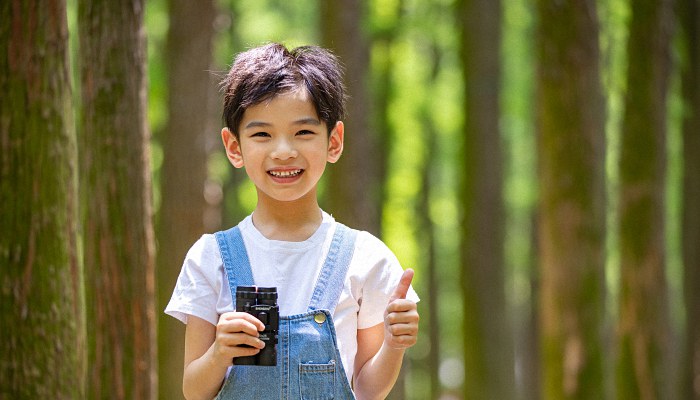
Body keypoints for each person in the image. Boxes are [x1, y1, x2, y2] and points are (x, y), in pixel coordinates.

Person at [165, 42, 420, 400]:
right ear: (234, 146)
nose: (283, 151)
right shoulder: (211, 258)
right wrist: (220, 353)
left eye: (303, 132)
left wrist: (394, 345)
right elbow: (193, 390)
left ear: (334, 141)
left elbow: (366, 390)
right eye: (261, 134)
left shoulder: (366, 258)